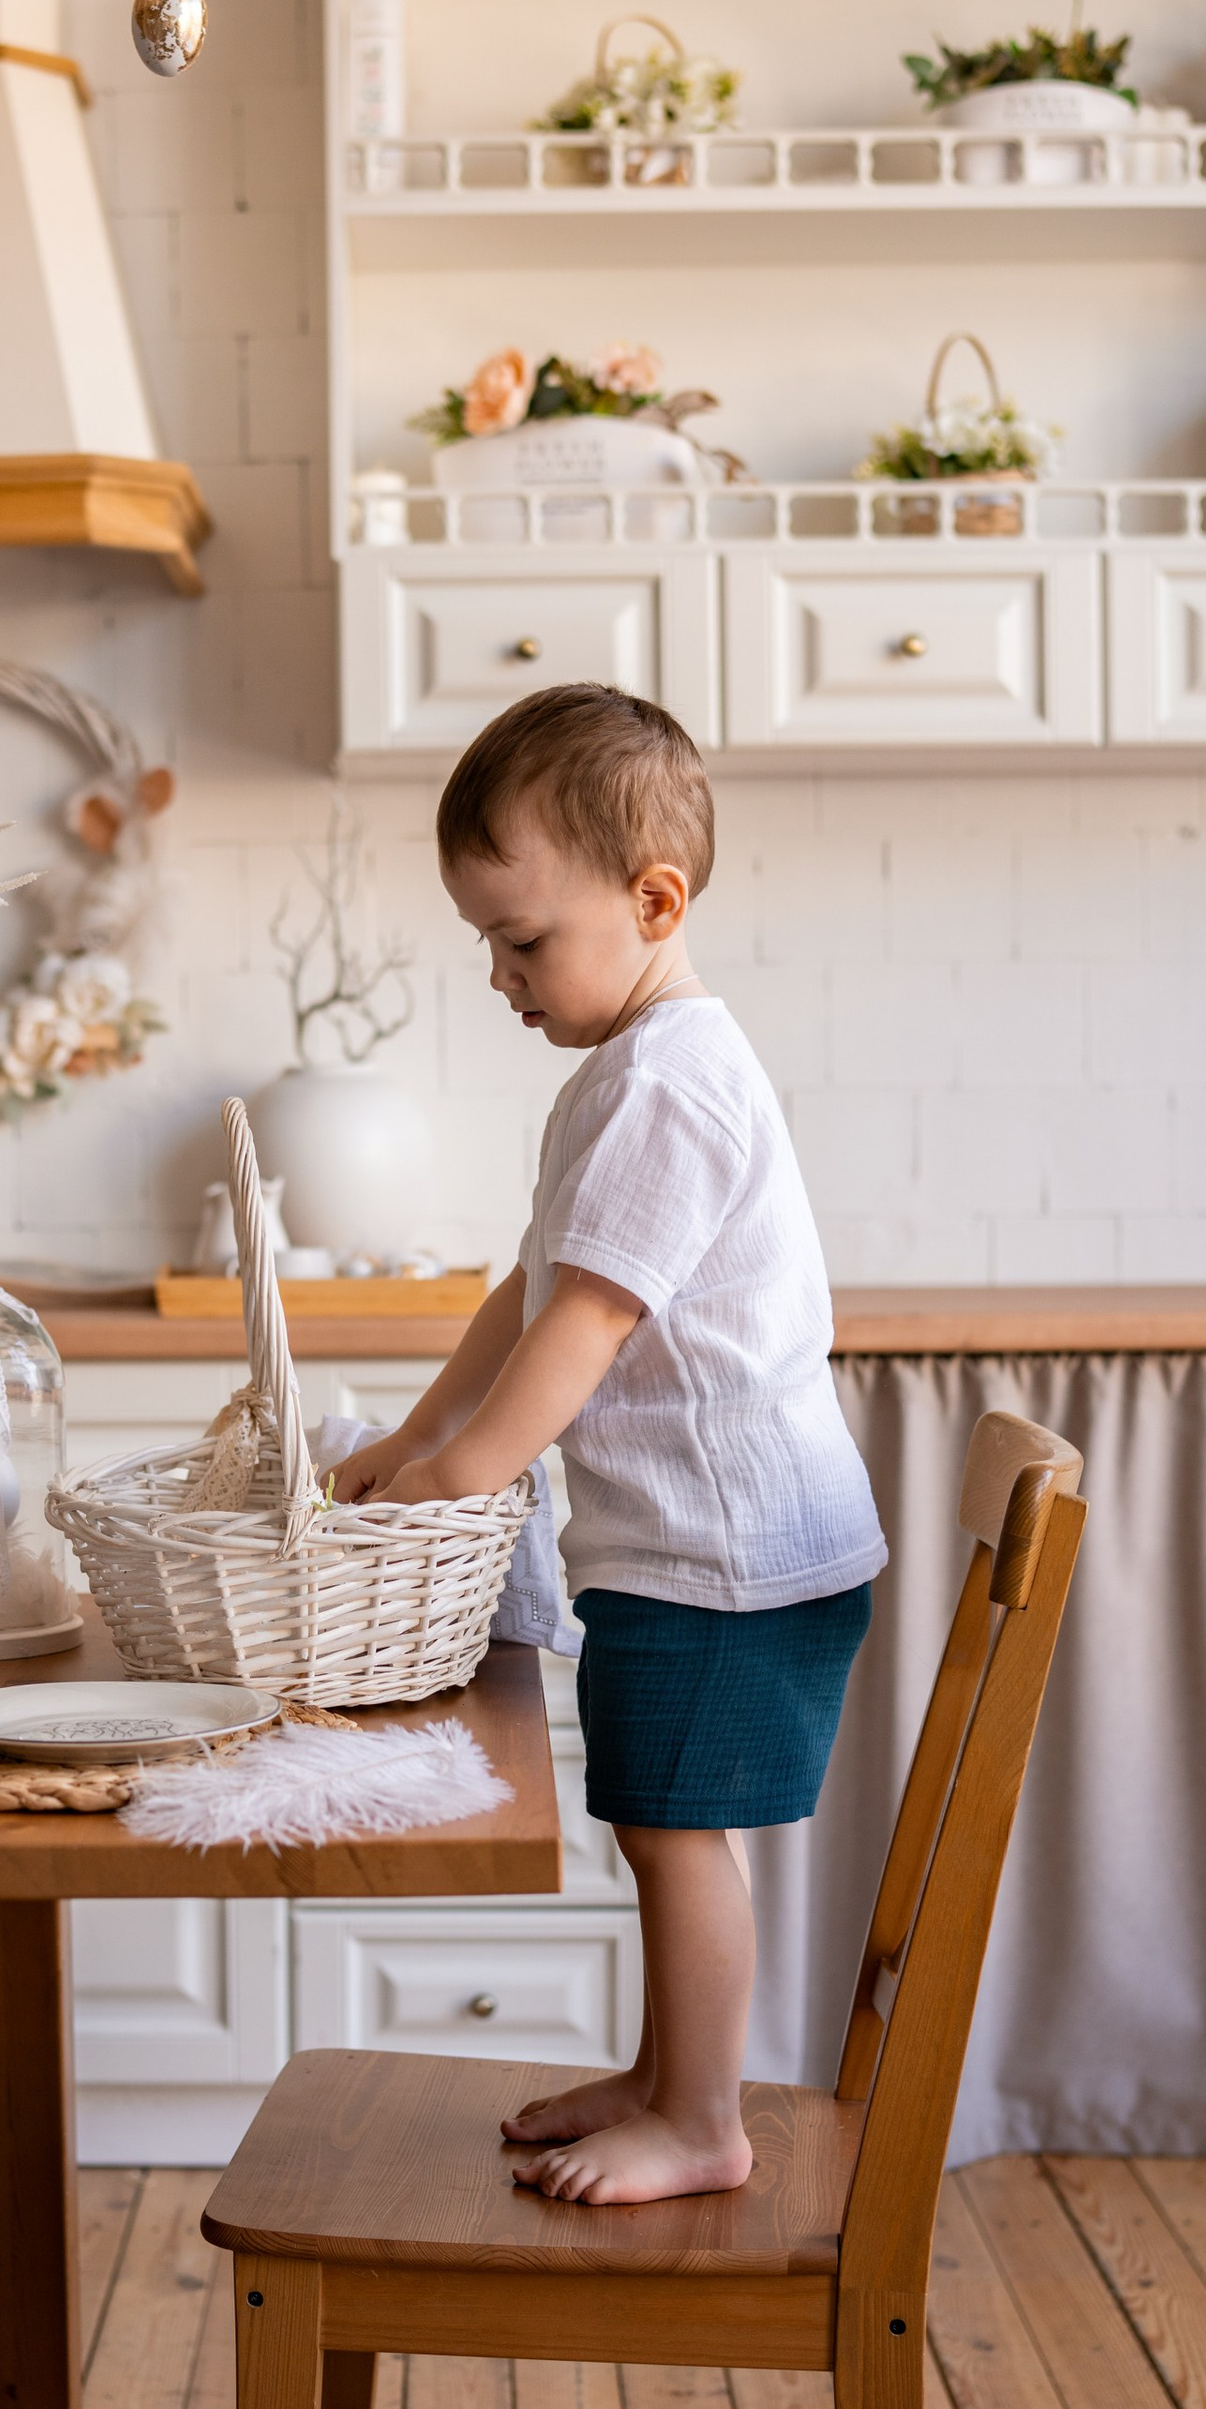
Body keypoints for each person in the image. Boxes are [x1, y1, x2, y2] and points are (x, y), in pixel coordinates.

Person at [334, 684, 884, 2206]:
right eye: (486, 945)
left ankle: (702, 2119)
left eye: (523, 941)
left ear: (654, 902)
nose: (499, 976)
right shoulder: (626, 1075)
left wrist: (462, 1477)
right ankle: (664, 2077)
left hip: (725, 1560)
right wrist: (420, 1434)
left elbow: (578, 1338)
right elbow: (523, 1290)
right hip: (705, 1547)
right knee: (665, 1831)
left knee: (674, 1838)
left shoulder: (666, 1085)